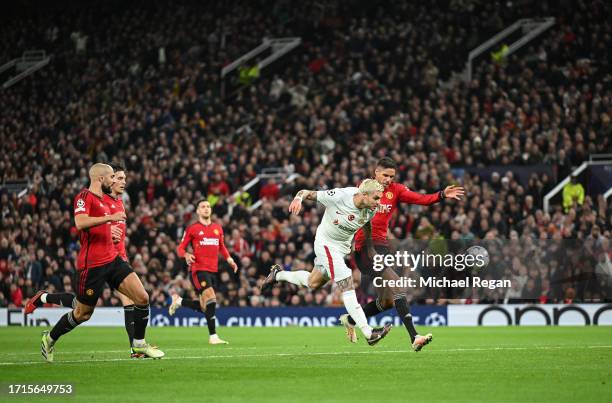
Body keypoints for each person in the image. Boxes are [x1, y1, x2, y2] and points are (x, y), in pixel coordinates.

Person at [39, 163, 163, 362]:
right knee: (82, 313)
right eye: (112, 177)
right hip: (92, 265)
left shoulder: (108, 201)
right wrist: (109, 219)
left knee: (142, 297)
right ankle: (50, 338)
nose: (114, 180)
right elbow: (80, 223)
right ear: (101, 179)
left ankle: (139, 345)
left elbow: (105, 226)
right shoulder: (84, 197)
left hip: (113, 259)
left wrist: (111, 230)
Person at [346, 157, 464, 351]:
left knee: (387, 301)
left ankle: (351, 319)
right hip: (364, 248)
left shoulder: (397, 190)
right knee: (397, 284)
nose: (389, 180)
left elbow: (422, 199)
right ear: (376, 172)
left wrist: (442, 194)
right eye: (385, 175)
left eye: (392, 176)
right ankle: (414, 337)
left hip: (382, 248)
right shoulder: (364, 189)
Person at [262, 179, 392, 346]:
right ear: (363, 195)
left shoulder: (370, 209)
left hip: (341, 249)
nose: (379, 202)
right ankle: (368, 332)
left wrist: (370, 247)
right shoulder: (340, 196)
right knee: (346, 279)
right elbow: (307, 192)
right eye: (376, 198)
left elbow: (366, 225)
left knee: (312, 282)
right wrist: (298, 198)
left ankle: (277, 275)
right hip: (325, 244)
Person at [169, 200, 238, 345]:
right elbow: (180, 248)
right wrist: (187, 255)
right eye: (202, 207)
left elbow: (222, 247)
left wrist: (230, 259)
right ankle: (213, 336)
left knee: (204, 306)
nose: (206, 209)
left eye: (208, 206)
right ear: (198, 211)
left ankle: (179, 301)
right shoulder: (192, 229)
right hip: (198, 269)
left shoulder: (217, 228)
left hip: (213, 270)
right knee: (212, 298)